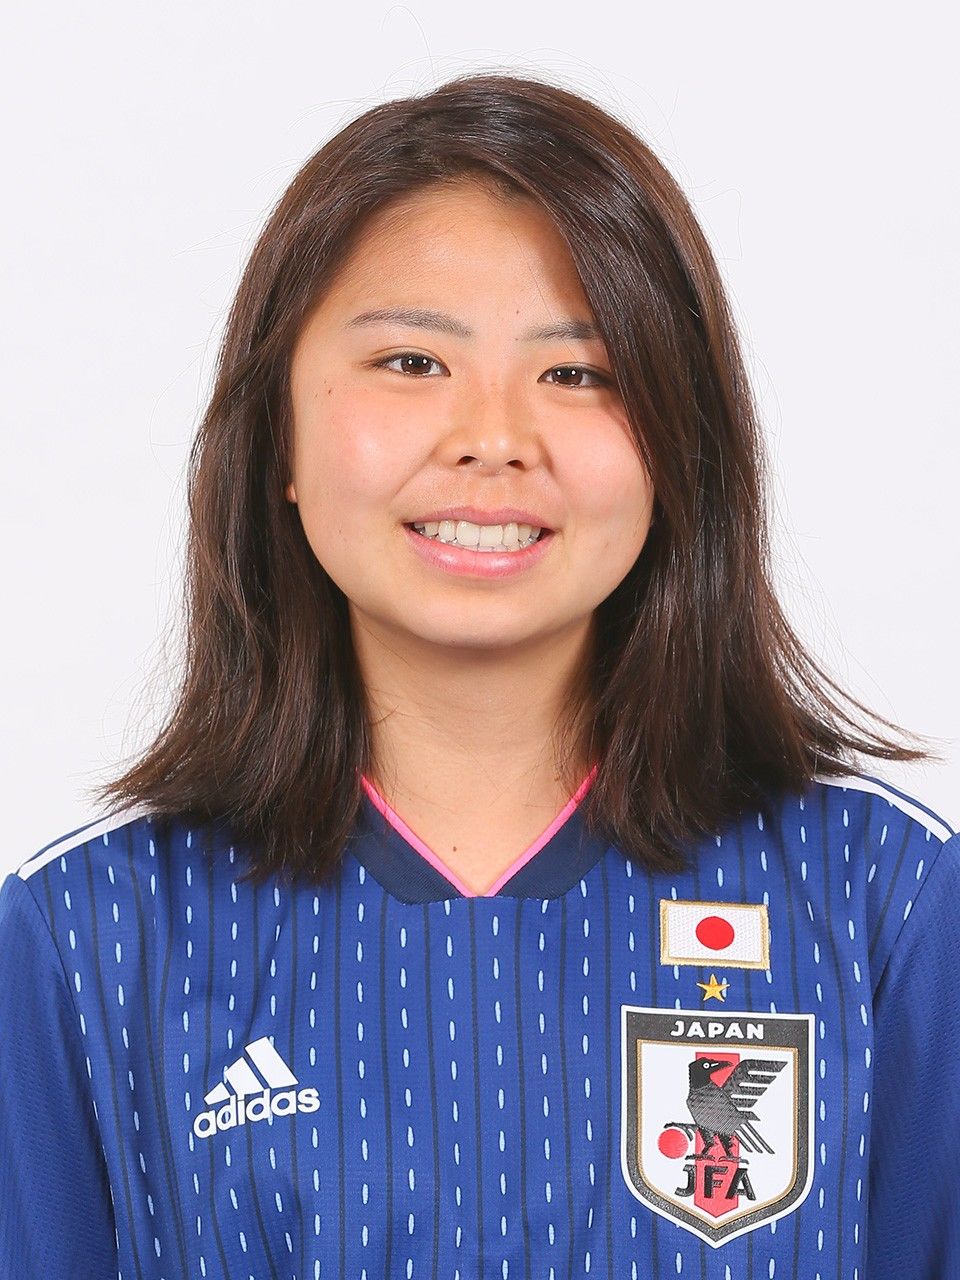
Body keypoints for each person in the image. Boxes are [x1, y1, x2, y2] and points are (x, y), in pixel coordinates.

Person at [0, 71, 955, 1280]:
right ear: (278, 433)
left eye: (579, 373)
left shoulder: (885, 904)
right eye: (411, 361)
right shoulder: (91, 938)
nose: (493, 437)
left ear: (681, 444)